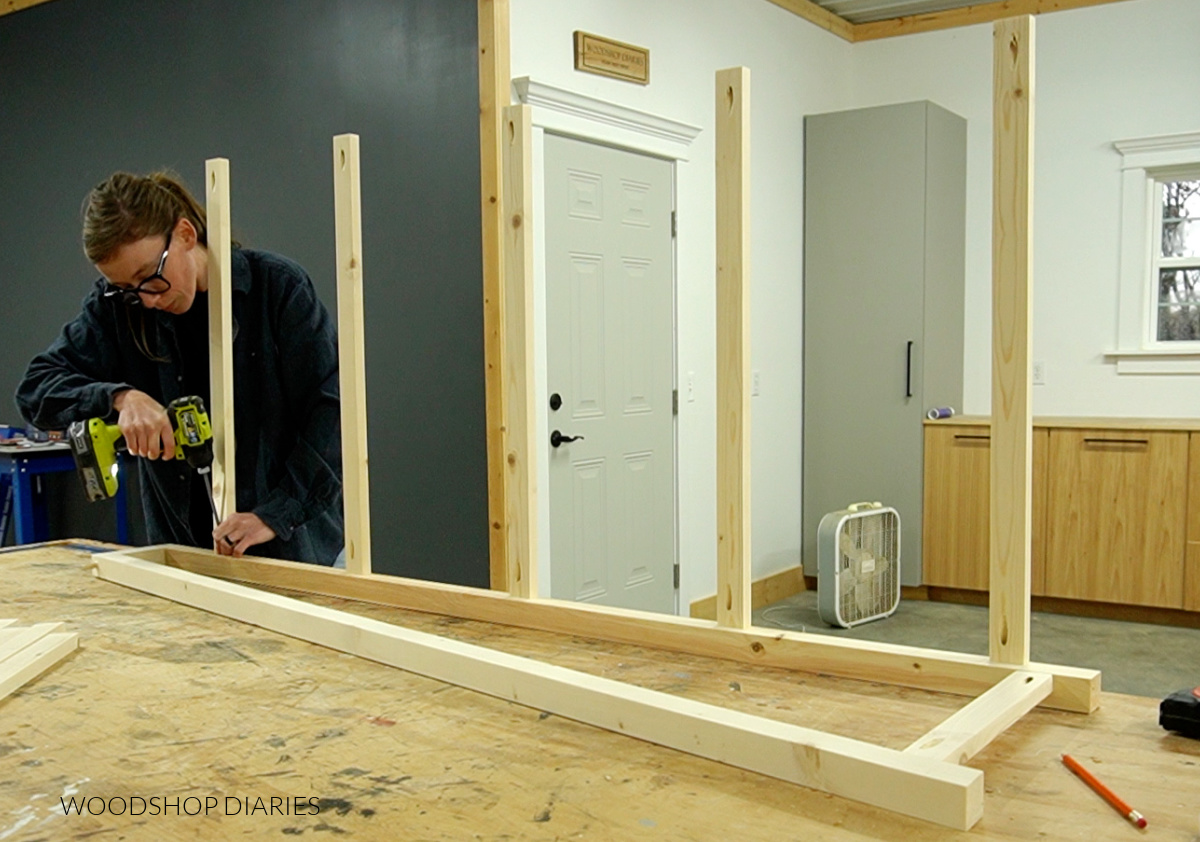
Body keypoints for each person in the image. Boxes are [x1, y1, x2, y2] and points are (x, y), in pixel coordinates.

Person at [16, 171, 344, 565]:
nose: (147, 300)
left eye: (150, 277)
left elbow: (334, 414)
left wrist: (274, 514)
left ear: (185, 234)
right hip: (185, 554)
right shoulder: (118, 308)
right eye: (125, 288)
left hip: (294, 550)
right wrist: (121, 397)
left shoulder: (276, 289)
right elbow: (36, 387)